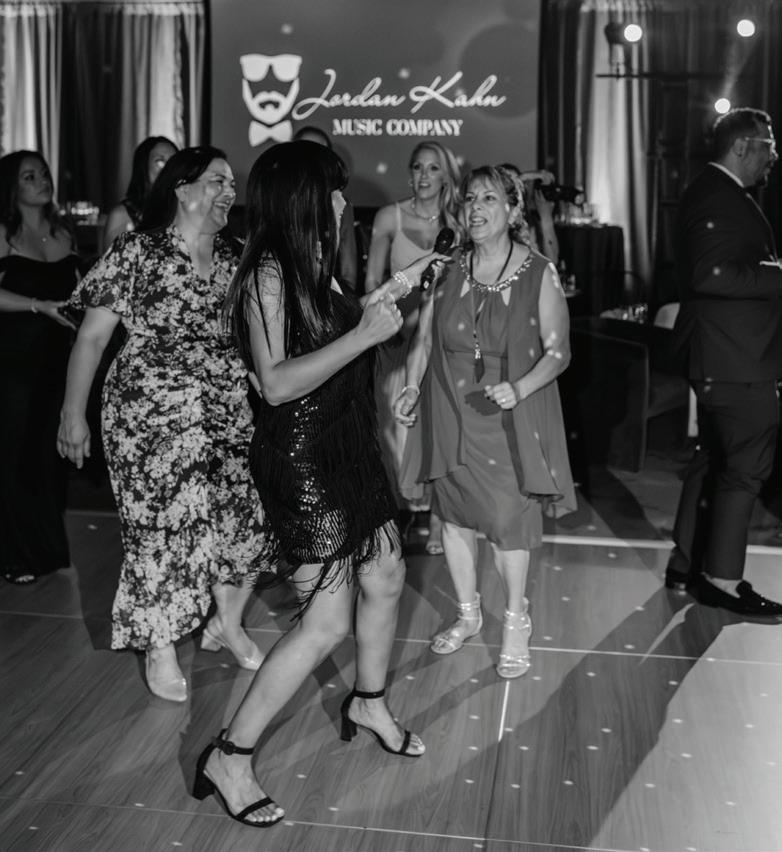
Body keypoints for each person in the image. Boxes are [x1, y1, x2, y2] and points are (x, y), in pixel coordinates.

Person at [194, 140, 446, 828]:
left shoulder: (311, 261)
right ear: (303, 198)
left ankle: (368, 701)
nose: (342, 203)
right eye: (332, 192)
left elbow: (333, 333)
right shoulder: (268, 274)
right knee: (326, 621)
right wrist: (365, 335)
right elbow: (276, 383)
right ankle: (229, 756)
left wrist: (391, 293)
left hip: (347, 445)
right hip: (302, 459)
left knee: (387, 573)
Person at [57, 146, 266, 702]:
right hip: (148, 415)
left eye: (232, 183)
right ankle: (160, 644)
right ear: (182, 188)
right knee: (160, 529)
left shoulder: (237, 255)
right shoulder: (138, 251)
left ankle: (227, 622)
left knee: (243, 522)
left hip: (226, 409)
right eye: (218, 180)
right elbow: (92, 338)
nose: (229, 191)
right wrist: (72, 414)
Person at [395, 164, 576, 678]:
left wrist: (520, 388)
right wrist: (411, 386)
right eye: (471, 199)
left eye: (489, 198)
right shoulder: (447, 268)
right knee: (453, 517)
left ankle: (516, 619)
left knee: (507, 525)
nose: (476, 208)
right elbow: (424, 340)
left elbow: (558, 352)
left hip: (508, 416)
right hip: (450, 409)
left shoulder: (539, 272)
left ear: (514, 210)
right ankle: (468, 613)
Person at [664, 108, 782, 616]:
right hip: (734, 359)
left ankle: (685, 563)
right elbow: (710, 275)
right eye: (768, 144)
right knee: (747, 468)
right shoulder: (717, 195)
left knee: (713, 459)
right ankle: (723, 580)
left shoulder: (715, 192)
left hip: (726, 354)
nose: (774, 155)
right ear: (741, 147)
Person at [364, 141, 462, 554]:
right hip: (396, 335)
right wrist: (382, 324)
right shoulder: (390, 216)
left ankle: (440, 518)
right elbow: (372, 281)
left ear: (446, 176)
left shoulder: (459, 223)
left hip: (442, 339)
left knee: (440, 426)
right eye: (418, 167)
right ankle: (399, 512)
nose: (424, 176)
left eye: (433, 168)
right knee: (394, 428)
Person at [0, 151, 79, 585]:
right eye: (29, 176)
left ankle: (45, 549)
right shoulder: (4, 233)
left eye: (44, 173)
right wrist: (37, 305)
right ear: (12, 187)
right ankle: (14, 556)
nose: (42, 180)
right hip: (12, 360)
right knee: (14, 454)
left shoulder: (63, 231)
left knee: (47, 456)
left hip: (55, 359)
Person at [292, 124, 358, 292]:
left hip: (327, 295)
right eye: (306, 152)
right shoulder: (278, 200)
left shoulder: (340, 203)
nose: (313, 161)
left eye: (321, 153)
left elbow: (348, 272)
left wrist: (340, 302)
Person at [102, 136, 178, 249]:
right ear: (143, 166)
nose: (168, 169)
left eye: (173, 162)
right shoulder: (122, 215)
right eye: (160, 161)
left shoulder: (183, 210)